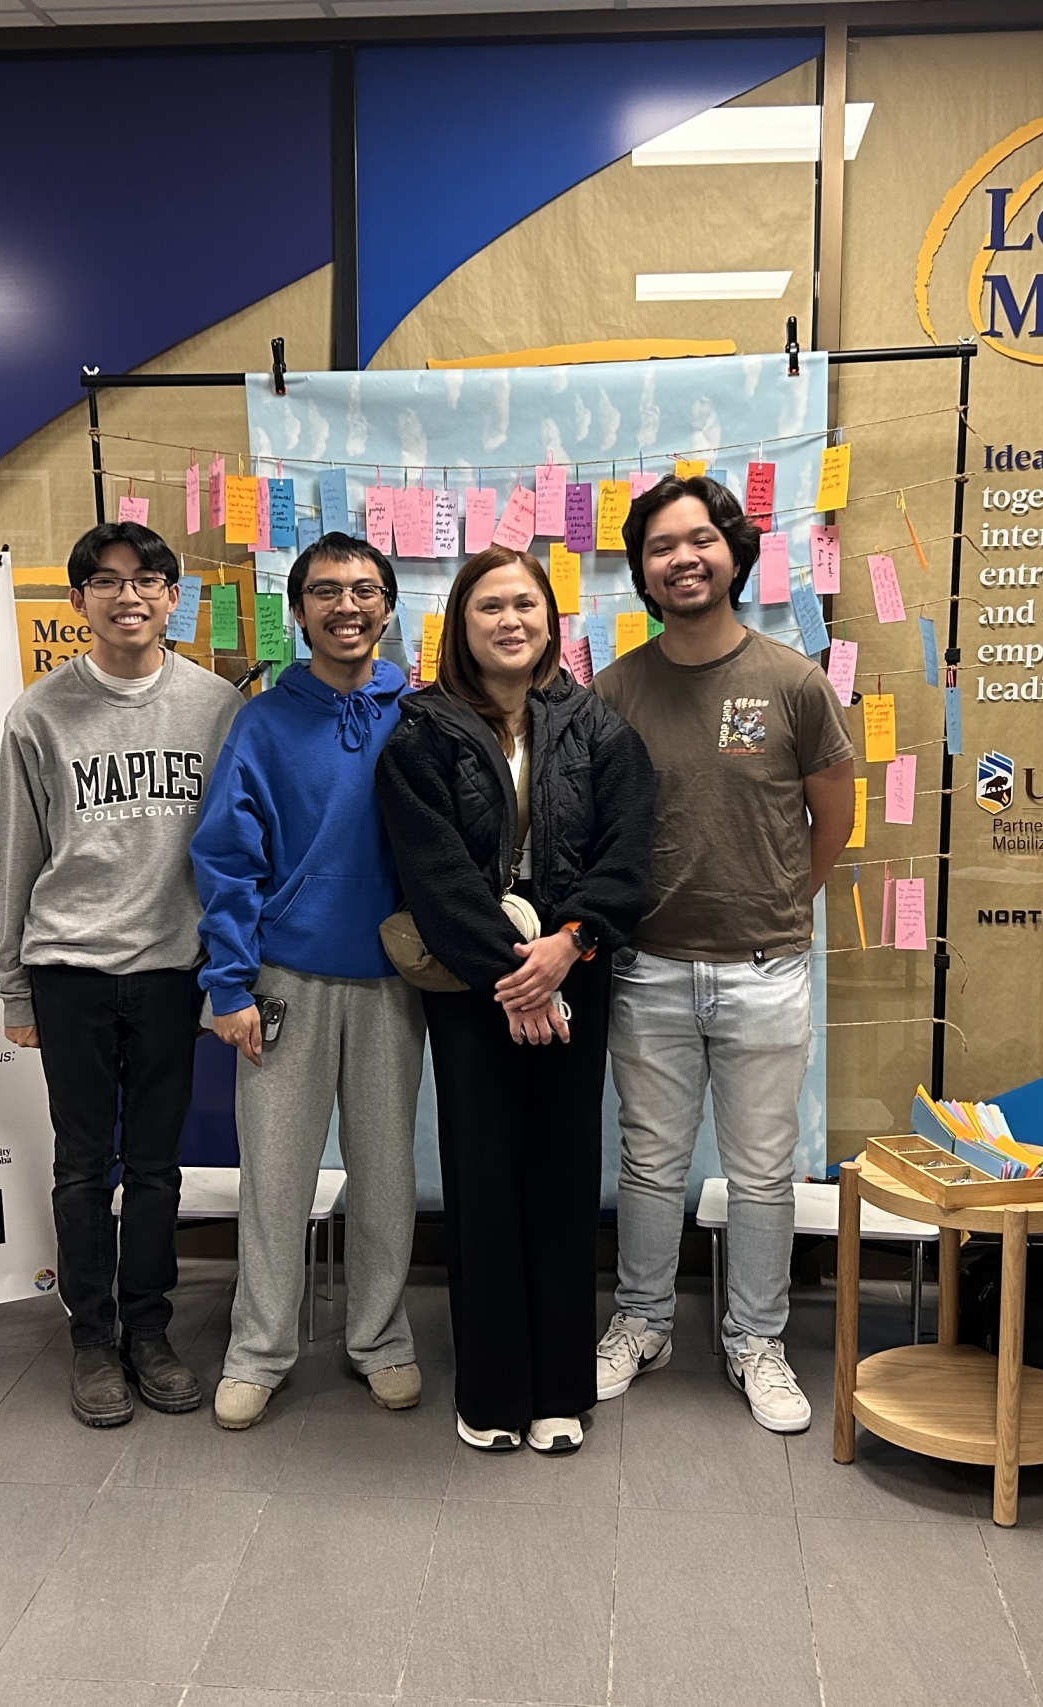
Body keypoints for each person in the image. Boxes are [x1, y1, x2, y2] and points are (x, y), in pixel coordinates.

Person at [592, 475, 856, 1433]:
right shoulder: (615, 689)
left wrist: (784, 901)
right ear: (644, 571)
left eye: (700, 539)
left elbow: (835, 811)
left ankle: (755, 1339)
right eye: (662, 546)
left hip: (764, 969)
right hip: (649, 967)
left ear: (735, 553)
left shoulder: (793, 679)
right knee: (652, 1165)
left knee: (759, 1171)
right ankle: (642, 1320)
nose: (683, 558)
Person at [376, 546, 654, 1455]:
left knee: (565, 1175)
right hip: (470, 987)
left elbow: (629, 853)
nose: (509, 620)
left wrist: (566, 948)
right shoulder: (422, 729)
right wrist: (515, 972)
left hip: (576, 973)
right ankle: (493, 1389)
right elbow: (432, 869)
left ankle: (560, 1386)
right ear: (461, 622)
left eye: (524, 604)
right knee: (483, 1176)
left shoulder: (597, 726)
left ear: (550, 619)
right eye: (489, 605)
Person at [0, 519, 240, 1429]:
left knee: (159, 1165)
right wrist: (13, 983)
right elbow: (15, 858)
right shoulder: (39, 713)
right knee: (83, 1166)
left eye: (148, 579)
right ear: (79, 600)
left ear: (175, 597)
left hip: (176, 970)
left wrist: (228, 976)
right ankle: (91, 1338)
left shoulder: (218, 708)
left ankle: (150, 1328)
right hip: (70, 972)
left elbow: (235, 851)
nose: (128, 594)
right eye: (107, 580)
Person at [191, 533, 426, 1429]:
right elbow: (223, 859)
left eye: (365, 590)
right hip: (282, 979)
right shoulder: (261, 721)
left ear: (389, 606)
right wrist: (229, 983)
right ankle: (259, 1347)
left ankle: (381, 1337)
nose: (347, 606)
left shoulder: (422, 712)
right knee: (276, 1179)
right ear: (298, 611)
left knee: (385, 1174)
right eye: (325, 591)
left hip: (393, 984)